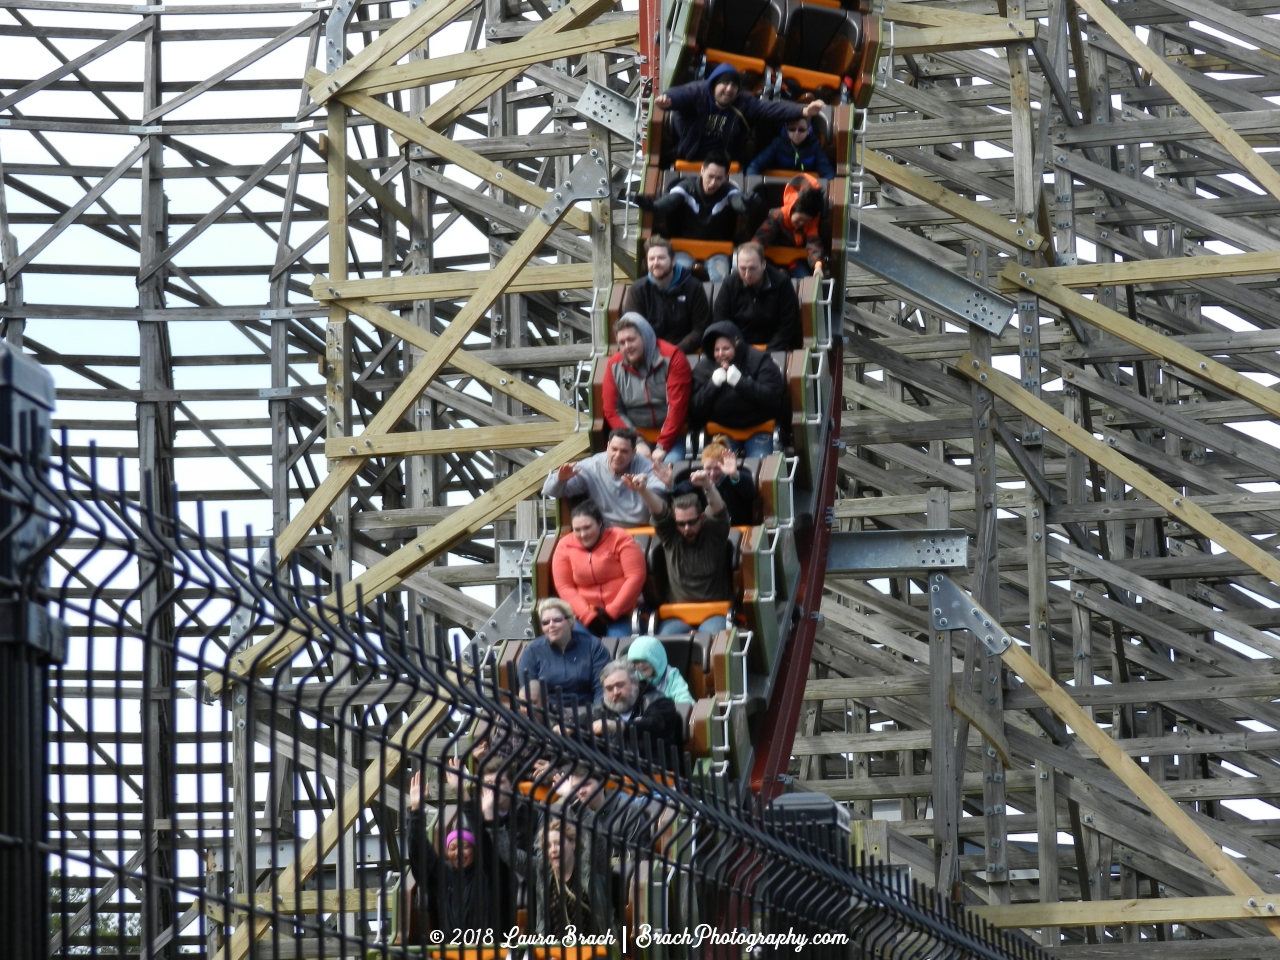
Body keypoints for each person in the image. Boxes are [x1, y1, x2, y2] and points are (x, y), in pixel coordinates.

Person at [405, 769, 513, 936]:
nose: (459, 853)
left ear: (475, 851)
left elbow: (484, 838)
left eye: (464, 846)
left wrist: (463, 793)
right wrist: (416, 809)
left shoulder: (488, 873)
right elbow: (417, 850)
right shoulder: (443, 876)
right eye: (453, 848)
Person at [622, 470, 732, 636]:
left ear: (702, 518)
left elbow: (718, 510)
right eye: (681, 524)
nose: (686, 528)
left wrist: (708, 485)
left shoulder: (714, 533)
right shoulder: (671, 537)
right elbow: (659, 511)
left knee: (710, 640)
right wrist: (643, 490)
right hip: (677, 615)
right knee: (666, 641)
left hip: (715, 612)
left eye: (691, 522)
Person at [656, 62, 825, 164]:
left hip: (723, 162)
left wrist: (803, 110)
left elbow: (770, 109)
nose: (729, 90)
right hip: (689, 155)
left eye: (734, 86)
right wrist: (668, 100)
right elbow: (680, 94)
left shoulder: (743, 103)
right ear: (714, 84)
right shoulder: (698, 93)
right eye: (725, 84)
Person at [634, 153, 743, 281]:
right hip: (684, 249)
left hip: (718, 251)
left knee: (720, 278)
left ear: (726, 177)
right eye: (710, 176)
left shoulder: (729, 191)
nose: (713, 182)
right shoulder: (686, 187)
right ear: (702, 171)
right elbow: (670, 201)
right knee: (676, 276)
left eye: (719, 178)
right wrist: (654, 207)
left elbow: (738, 202)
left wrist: (746, 205)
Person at [602, 313, 691, 464]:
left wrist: (662, 446)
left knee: (668, 468)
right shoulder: (613, 365)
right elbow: (612, 411)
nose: (627, 346)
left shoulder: (673, 357)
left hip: (673, 436)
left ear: (645, 337)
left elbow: (677, 406)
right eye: (622, 343)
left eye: (631, 340)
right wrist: (636, 441)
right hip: (634, 436)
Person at [689, 321, 786, 459]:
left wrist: (741, 383)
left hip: (759, 428)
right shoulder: (703, 368)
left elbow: (774, 397)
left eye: (726, 348)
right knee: (718, 467)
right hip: (722, 430)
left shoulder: (759, 360)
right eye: (717, 350)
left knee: (758, 462)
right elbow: (695, 407)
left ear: (737, 346)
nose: (721, 354)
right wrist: (712, 385)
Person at [552, 500, 647, 638]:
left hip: (623, 613)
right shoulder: (564, 546)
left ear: (600, 523)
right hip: (584, 616)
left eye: (587, 527)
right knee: (579, 642)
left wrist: (612, 611)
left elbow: (636, 576)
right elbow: (564, 586)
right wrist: (587, 616)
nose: (583, 534)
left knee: (615, 643)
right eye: (577, 530)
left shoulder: (619, 538)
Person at [542, 427, 668, 528]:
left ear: (633, 452)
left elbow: (661, 503)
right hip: (605, 532)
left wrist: (642, 489)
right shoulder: (591, 466)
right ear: (607, 447)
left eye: (624, 451)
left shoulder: (646, 466)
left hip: (642, 529)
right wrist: (560, 480)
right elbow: (549, 490)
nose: (618, 455)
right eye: (614, 449)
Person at [518, 598, 611, 709]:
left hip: (587, 712)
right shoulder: (532, 651)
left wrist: (595, 714)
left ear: (571, 620)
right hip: (548, 715)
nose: (551, 625)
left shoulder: (592, 646)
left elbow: (601, 688)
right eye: (545, 622)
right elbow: (529, 693)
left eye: (557, 619)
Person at [622, 236, 710, 353]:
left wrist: (675, 352)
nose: (656, 263)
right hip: (651, 355)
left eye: (661, 258)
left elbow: (700, 329)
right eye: (651, 259)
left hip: (687, 353)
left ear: (673, 261)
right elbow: (634, 330)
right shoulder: (637, 290)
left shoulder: (693, 287)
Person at [712, 242, 800, 352]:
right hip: (739, 348)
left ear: (763, 265)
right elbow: (721, 321)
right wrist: (738, 347)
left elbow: (788, 325)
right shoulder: (730, 284)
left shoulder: (782, 284)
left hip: (774, 347)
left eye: (752, 268)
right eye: (742, 268)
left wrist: (770, 351)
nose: (747, 274)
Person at [591, 659, 686, 750]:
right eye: (609, 688)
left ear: (635, 683)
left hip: (653, 765)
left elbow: (653, 724)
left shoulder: (659, 702)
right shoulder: (599, 710)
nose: (615, 692)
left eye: (620, 685)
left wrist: (618, 726)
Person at [753, 173, 828, 277]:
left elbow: (813, 243)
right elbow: (761, 238)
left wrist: (817, 265)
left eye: (805, 222)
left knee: (804, 277)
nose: (801, 224)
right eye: (799, 220)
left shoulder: (811, 223)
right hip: (772, 260)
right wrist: (753, 254)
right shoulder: (777, 216)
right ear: (792, 210)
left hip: (795, 261)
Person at [674, 438, 760, 526]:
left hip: (738, 530)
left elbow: (750, 493)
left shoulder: (737, 478)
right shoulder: (700, 481)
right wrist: (671, 487)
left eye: (717, 468)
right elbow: (680, 495)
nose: (712, 473)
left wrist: (734, 475)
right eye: (708, 468)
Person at [745, 116, 835, 179]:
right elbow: (755, 166)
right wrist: (752, 180)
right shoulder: (778, 144)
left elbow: (827, 172)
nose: (796, 133)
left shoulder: (815, 146)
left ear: (808, 131)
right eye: (792, 129)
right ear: (786, 130)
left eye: (801, 130)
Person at [626, 634, 695, 705]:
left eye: (644, 660)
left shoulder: (671, 676)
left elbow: (684, 699)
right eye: (636, 662)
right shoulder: (634, 678)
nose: (640, 665)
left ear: (656, 658)